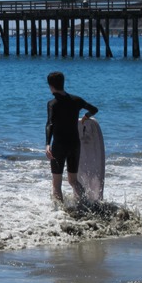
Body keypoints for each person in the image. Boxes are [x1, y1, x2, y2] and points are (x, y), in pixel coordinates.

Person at [45, 71, 98, 203]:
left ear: (50, 86)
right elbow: (94, 109)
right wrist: (85, 117)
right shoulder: (77, 100)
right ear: (63, 83)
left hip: (59, 145)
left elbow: (50, 123)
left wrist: (47, 144)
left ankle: (59, 213)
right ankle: (85, 205)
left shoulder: (53, 104)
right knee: (73, 180)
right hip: (74, 144)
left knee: (56, 183)